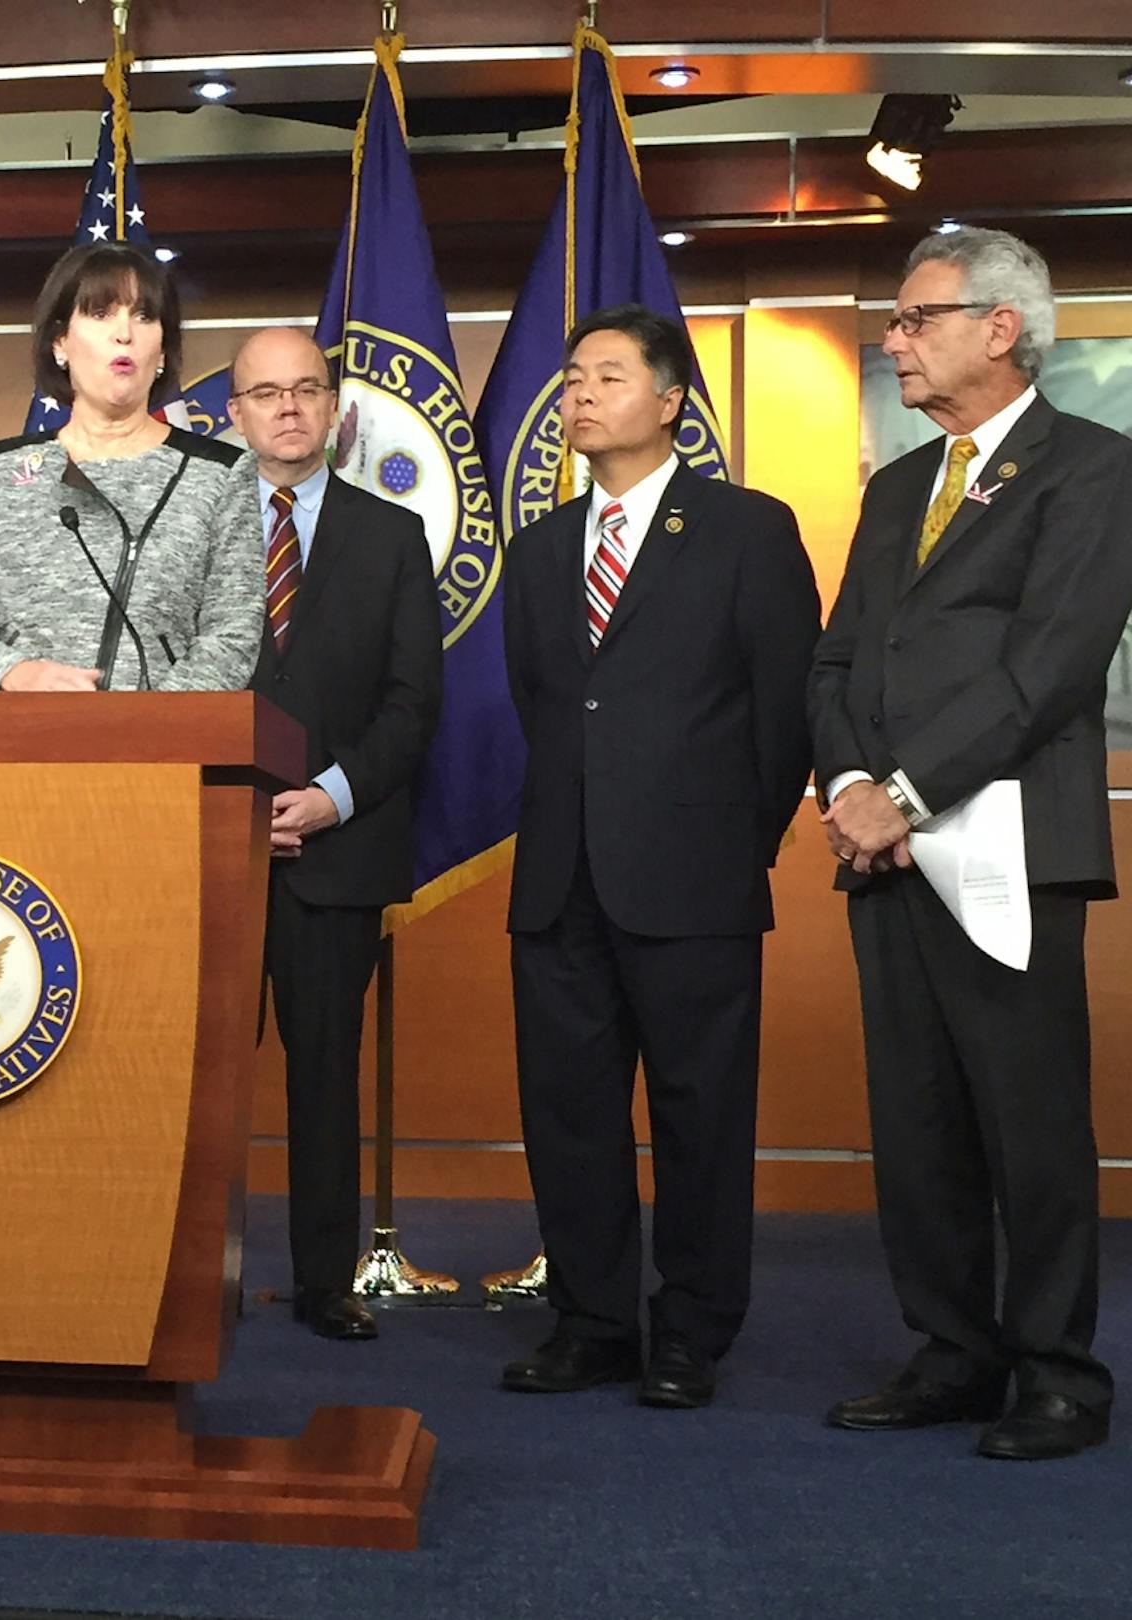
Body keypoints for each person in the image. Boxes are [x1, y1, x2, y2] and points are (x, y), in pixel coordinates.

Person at [812, 227, 1132, 1461]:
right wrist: (848, 781)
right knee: (919, 1117)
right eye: (895, 324)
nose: (895, 340)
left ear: (1002, 327)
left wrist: (904, 788)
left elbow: (1048, 668)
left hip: (1004, 846)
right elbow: (842, 657)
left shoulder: (1092, 469)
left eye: (917, 318)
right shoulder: (898, 486)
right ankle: (953, 1351)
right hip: (882, 849)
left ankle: (1058, 1374)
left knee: (1030, 1119)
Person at [500, 304, 820, 1408]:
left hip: (694, 878)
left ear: (671, 400)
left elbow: (786, 714)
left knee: (701, 1114)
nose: (581, 394)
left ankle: (689, 1331)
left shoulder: (747, 529)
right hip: (559, 878)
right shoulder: (539, 549)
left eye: (609, 375)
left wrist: (735, 840)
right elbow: (542, 705)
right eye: (574, 376)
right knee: (570, 1112)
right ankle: (591, 1320)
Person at [224, 327, 442, 1341]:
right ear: (234, 413)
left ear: (336, 408)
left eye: (307, 390)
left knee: (324, 1081)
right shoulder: (197, 526)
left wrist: (331, 797)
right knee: (186, 1080)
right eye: (265, 393)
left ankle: (323, 1284)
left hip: (335, 851)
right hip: (204, 855)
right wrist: (224, 808)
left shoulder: (390, 536)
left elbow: (411, 703)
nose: (288, 409)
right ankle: (186, 1278)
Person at [0, 242, 262, 693]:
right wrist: (15, 674)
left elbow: (233, 635)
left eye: (144, 317)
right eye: (101, 314)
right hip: (20, 746)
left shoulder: (219, 474)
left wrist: (148, 725)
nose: (125, 334)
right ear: (60, 343)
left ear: (162, 353)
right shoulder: (0, 472)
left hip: (164, 751)